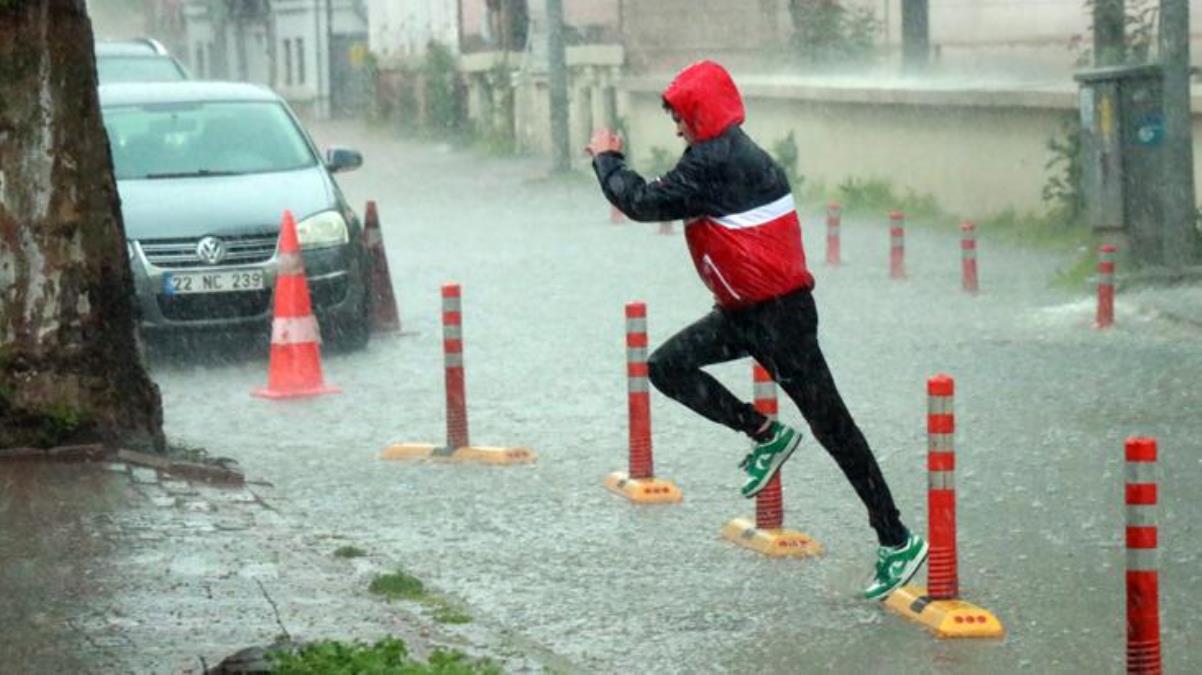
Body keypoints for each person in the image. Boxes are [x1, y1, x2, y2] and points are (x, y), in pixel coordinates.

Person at [585, 60, 927, 601]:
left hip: (779, 318)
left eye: (680, 117)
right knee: (666, 366)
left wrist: (606, 158)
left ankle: (896, 538)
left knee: (835, 428)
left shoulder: (717, 161)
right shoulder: (725, 151)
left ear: (700, 112)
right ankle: (766, 433)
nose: (677, 128)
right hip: (743, 314)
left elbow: (643, 202)